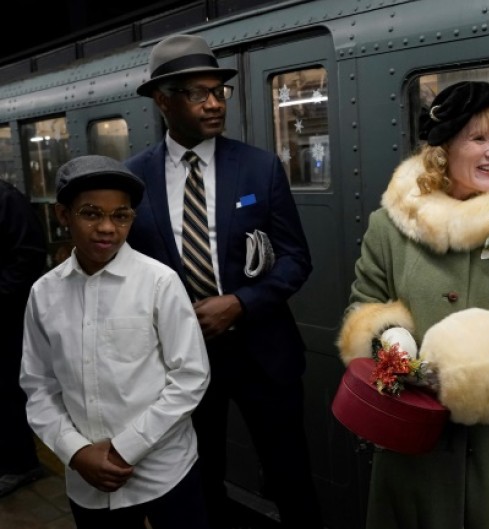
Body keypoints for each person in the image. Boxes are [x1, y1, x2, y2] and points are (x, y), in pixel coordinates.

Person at [336, 81, 489, 529]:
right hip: (417, 442)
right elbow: (362, 311)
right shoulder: (388, 227)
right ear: (443, 147)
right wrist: (393, 341)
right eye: (479, 139)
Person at [125, 34, 320, 529]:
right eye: (197, 93)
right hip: (180, 365)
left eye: (219, 92)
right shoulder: (132, 181)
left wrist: (242, 302)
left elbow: (296, 258)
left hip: (264, 353)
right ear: (162, 100)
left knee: (291, 477)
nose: (214, 103)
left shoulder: (258, 167)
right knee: (198, 477)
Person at [19, 155, 211, 528]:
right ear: (64, 216)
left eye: (120, 216)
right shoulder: (44, 294)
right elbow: (38, 386)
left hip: (164, 470)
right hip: (88, 480)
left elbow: (190, 376)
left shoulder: (159, 282)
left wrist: (127, 447)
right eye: (91, 214)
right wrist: (75, 452)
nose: (107, 228)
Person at [0, 179, 46, 497]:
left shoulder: (6, 199)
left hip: (5, 317)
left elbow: (29, 256)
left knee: (5, 391)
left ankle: (20, 464)